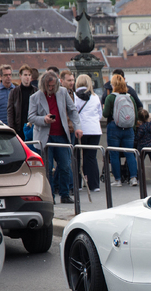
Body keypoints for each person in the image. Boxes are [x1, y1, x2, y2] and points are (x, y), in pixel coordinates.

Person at [27, 71, 83, 204]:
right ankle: (50, 195)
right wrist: (44, 119)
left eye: (53, 85)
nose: (51, 88)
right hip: (45, 137)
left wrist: (77, 127)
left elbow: (72, 110)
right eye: (49, 86)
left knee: (65, 165)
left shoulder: (63, 92)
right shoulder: (35, 97)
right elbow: (31, 117)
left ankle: (65, 194)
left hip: (61, 135)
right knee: (48, 167)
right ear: (43, 85)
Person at [102, 74, 138, 187]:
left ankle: (117, 180)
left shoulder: (110, 98)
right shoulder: (130, 97)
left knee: (114, 154)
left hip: (114, 127)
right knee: (130, 153)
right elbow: (135, 115)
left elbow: (105, 114)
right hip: (128, 129)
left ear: (113, 85)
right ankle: (133, 178)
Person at [74, 74, 103, 192]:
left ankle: (78, 184)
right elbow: (100, 114)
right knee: (91, 157)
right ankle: (94, 184)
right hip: (95, 130)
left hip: (81, 129)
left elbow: (73, 113)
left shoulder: (75, 97)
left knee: (77, 157)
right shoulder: (95, 97)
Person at [7, 64, 37, 139]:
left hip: (32, 126)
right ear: (20, 76)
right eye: (25, 75)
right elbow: (10, 111)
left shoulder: (36, 91)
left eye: (29, 75)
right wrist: (12, 128)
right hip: (19, 127)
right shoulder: (14, 92)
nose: (27, 77)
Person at [135, 109, 151, 184]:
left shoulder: (142, 127)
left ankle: (139, 178)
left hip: (142, 147)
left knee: (140, 162)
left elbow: (137, 137)